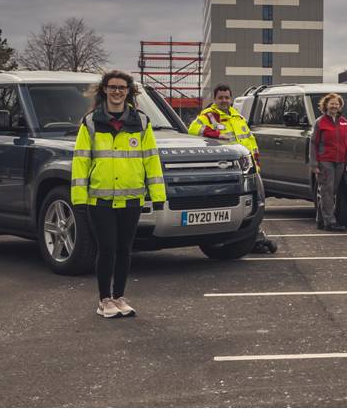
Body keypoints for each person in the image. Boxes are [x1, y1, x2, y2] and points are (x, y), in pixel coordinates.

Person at [72, 70, 166, 318]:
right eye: (112, 87)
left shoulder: (141, 122)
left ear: (129, 92)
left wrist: (158, 196)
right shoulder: (91, 122)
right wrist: (79, 199)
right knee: (107, 248)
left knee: (125, 249)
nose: (117, 92)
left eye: (122, 88)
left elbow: (151, 161)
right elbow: (80, 162)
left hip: (132, 198)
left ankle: (119, 297)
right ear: (104, 90)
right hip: (100, 199)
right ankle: (104, 300)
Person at [189, 85, 276, 253]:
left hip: (247, 169)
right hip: (224, 171)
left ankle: (252, 237)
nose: (224, 101)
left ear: (231, 98)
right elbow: (193, 129)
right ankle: (246, 239)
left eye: (227, 97)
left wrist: (256, 165)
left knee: (253, 206)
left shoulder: (238, 118)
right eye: (220, 98)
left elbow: (251, 142)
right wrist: (216, 134)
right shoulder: (209, 116)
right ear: (215, 99)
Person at [310, 93, 347, 232]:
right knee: (327, 191)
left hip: (340, 162)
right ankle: (330, 222)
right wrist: (314, 164)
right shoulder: (320, 122)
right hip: (325, 161)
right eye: (332, 103)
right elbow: (313, 143)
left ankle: (320, 220)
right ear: (326, 105)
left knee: (331, 191)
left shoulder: (344, 122)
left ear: (340, 106)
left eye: (337, 104)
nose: (334, 106)